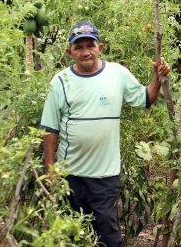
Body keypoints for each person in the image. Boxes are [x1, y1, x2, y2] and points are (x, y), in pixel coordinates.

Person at [40, 21, 170, 247]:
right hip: (70, 175)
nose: (85, 52)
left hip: (105, 175)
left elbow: (146, 98)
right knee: (72, 235)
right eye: (78, 47)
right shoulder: (60, 81)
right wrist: (50, 171)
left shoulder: (117, 74)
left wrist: (157, 77)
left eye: (90, 45)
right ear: (69, 52)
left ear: (101, 47)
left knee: (107, 234)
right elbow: (50, 130)